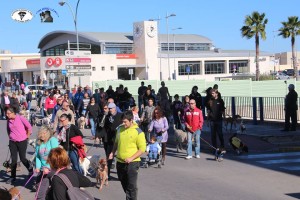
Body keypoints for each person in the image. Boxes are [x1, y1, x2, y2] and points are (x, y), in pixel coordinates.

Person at [109, 110, 146, 200]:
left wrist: (131, 158)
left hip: (133, 163)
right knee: (124, 183)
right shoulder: (120, 129)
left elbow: (142, 149)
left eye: (125, 122)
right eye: (122, 121)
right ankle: (131, 197)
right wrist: (112, 152)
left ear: (131, 120)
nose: (123, 123)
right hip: (120, 161)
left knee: (131, 186)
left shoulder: (138, 132)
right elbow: (116, 143)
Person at [5, 107, 33, 184]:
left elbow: (29, 127)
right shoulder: (8, 120)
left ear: (13, 113)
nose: (7, 115)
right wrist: (11, 137)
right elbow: (8, 130)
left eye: (8, 113)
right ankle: (12, 177)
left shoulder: (20, 118)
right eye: (6, 113)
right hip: (13, 142)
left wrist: (27, 136)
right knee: (13, 160)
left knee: (23, 158)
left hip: (22, 141)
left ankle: (30, 169)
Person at [34, 126, 59, 199]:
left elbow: (55, 155)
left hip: (52, 167)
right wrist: (38, 167)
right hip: (43, 169)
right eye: (40, 133)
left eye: (43, 133)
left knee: (40, 193)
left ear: (47, 133)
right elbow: (38, 156)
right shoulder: (38, 142)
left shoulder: (52, 140)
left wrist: (48, 167)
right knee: (38, 186)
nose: (41, 135)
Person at [104, 102, 123, 178]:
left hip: (119, 139)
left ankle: (121, 175)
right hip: (110, 139)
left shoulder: (120, 115)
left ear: (115, 108)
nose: (110, 110)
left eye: (111, 108)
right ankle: (107, 175)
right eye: (109, 109)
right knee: (109, 157)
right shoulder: (107, 116)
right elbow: (105, 127)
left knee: (120, 157)